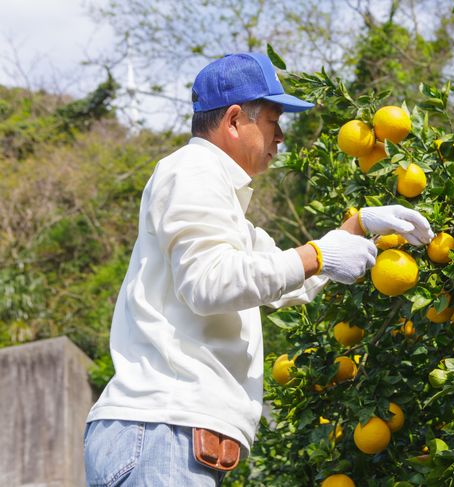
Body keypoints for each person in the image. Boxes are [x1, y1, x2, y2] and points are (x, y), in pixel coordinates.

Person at [83, 52, 434, 486]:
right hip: (162, 433)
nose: (281, 136)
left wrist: (356, 228)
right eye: (273, 120)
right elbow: (208, 283)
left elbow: (284, 279)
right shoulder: (192, 170)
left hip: (166, 437)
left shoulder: (220, 201)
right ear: (234, 120)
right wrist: (319, 255)